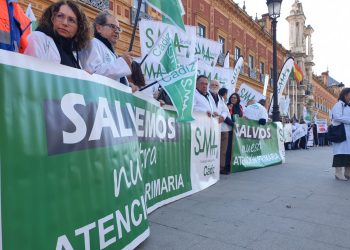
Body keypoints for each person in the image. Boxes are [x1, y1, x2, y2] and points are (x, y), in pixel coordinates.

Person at [24, 0, 90, 68]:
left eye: (71, 20)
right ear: (52, 18)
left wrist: (83, 74)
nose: (65, 23)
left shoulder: (74, 54)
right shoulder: (38, 38)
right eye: (60, 16)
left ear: (79, 27)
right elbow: (30, 73)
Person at [80, 11, 136, 89]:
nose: (117, 31)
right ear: (99, 28)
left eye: (118, 29)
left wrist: (128, 86)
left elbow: (113, 78)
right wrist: (122, 62)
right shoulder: (93, 43)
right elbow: (93, 72)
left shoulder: (111, 51)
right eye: (112, 26)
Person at [209, 83, 233, 175]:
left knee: (223, 150)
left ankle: (220, 167)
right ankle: (213, 166)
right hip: (212, 126)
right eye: (212, 85)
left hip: (223, 128)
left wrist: (222, 116)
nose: (214, 86)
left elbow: (225, 111)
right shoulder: (208, 96)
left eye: (216, 85)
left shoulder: (221, 99)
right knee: (213, 148)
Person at [330, 88, 350, 181]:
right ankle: (338, 173)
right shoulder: (338, 105)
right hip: (341, 133)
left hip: (348, 134)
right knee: (340, 152)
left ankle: (347, 172)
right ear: (345, 94)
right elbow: (337, 117)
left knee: (348, 153)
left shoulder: (348, 106)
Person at [225, 93, 243, 173]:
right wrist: (228, 109)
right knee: (227, 148)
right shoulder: (227, 106)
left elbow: (241, 117)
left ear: (238, 99)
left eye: (235, 98)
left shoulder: (240, 107)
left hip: (237, 131)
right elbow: (225, 116)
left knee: (234, 148)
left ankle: (233, 165)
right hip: (228, 129)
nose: (233, 99)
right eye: (232, 97)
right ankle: (226, 166)